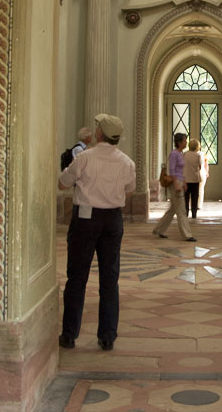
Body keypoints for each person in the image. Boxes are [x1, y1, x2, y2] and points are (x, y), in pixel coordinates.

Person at [58, 113, 136, 351]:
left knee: (77, 277)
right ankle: (108, 336)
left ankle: (70, 335)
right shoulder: (127, 162)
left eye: (96, 128)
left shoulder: (85, 157)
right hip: (113, 219)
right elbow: (130, 190)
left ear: (100, 133)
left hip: (86, 217)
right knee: (110, 279)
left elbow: (62, 182)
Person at [152, 133, 196, 241]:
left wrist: (184, 182)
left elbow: (180, 170)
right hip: (175, 184)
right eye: (185, 141)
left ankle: (159, 229)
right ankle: (187, 235)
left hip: (180, 182)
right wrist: (176, 185)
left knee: (173, 209)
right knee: (181, 210)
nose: (186, 142)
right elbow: (172, 171)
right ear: (179, 142)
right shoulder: (174, 154)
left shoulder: (180, 154)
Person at [184, 139, 201, 218]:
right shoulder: (198, 156)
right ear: (197, 147)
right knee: (194, 198)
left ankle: (186, 213)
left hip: (186, 179)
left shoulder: (184, 154)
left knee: (186, 198)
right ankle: (194, 214)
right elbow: (200, 166)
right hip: (195, 179)